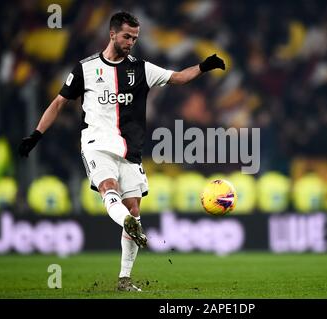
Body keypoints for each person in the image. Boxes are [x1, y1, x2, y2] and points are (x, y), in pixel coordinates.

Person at [18, 11, 225, 292]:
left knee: (135, 209)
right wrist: (36, 135)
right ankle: (127, 222)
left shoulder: (141, 69)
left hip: (130, 150)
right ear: (112, 34)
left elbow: (177, 78)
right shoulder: (85, 69)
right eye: (127, 36)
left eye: (135, 38)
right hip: (96, 144)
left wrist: (203, 66)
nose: (131, 42)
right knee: (108, 187)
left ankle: (124, 279)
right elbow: (58, 103)